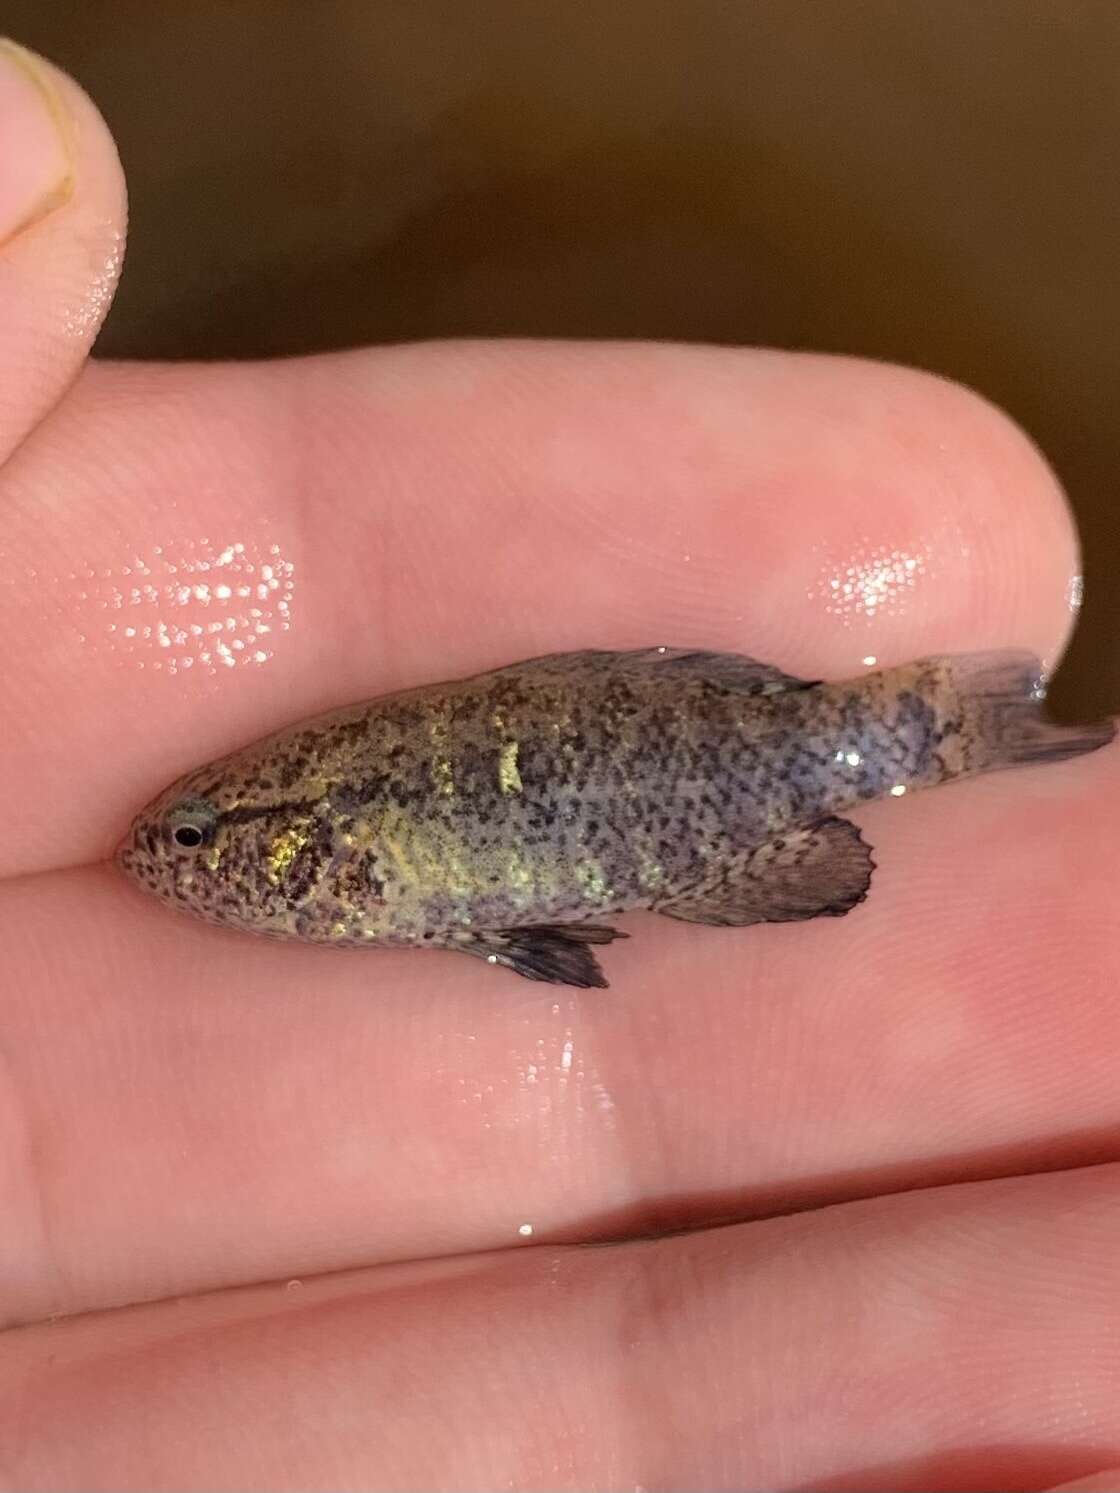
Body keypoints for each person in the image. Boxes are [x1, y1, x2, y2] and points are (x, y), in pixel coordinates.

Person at [1, 39, 1118, 1493]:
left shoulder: (339, 849)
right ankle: (953, 730)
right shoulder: (307, 856)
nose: (175, 851)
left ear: (297, 841)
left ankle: (951, 729)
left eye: (203, 834)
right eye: (199, 829)